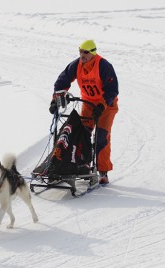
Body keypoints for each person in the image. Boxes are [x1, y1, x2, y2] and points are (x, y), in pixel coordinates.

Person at [49, 39, 119, 185]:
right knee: (82, 133)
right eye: (80, 51)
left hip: (106, 105)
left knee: (101, 136)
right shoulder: (76, 65)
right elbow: (62, 81)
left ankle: (103, 171)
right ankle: (83, 163)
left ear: (93, 52)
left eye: (85, 52)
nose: (82, 55)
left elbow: (113, 89)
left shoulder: (104, 66)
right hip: (88, 102)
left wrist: (101, 105)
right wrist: (55, 99)